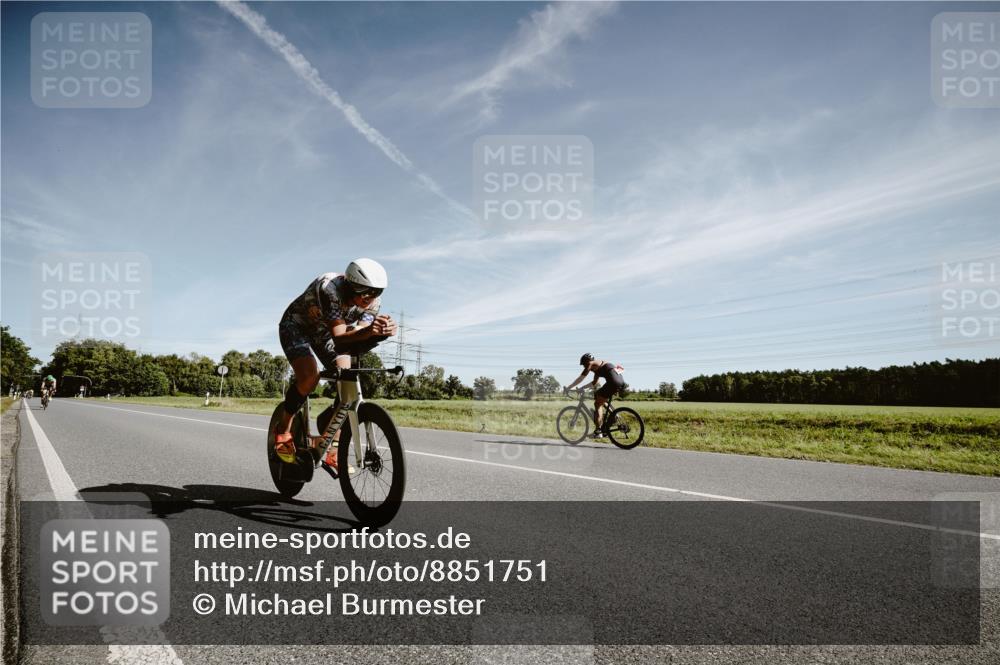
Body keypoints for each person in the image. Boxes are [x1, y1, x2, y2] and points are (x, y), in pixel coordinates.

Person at [273, 259, 397, 470]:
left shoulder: (374, 303)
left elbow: (358, 335)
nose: (369, 298)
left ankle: (332, 445)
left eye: (376, 292)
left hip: (325, 335)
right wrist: (370, 332)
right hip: (296, 327)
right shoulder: (330, 289)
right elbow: (340, 338)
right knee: (309, 377)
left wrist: (381, 333)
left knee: (347, 379)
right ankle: (283, 429)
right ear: (350, 284)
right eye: (364, 291)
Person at [565, 354, 625, 437]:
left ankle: (598, 431)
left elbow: (581, 377)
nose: (584, 367)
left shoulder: (591, 363)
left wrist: (569, 387)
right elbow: (594, 382)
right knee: (598, 395)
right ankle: (614, 415)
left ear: (587, 362)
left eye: (584, 365)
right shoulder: (599, 366)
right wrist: (582, 388)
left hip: (612, 382)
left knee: (597, 404)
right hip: (620, 382)